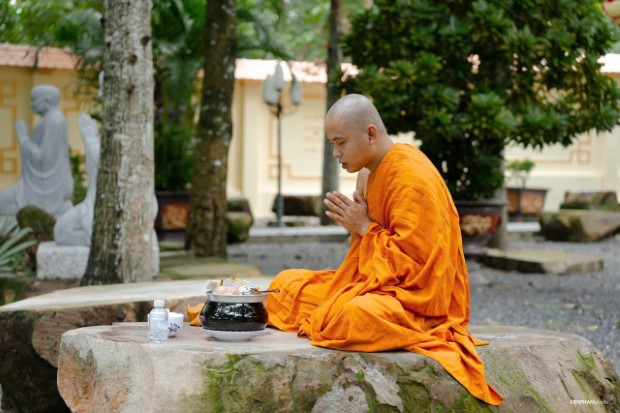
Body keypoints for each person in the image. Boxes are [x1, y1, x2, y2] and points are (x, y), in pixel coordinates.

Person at [266, 94, 503, 405]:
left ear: (370, 134)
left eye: (341, 143)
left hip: (416, 302)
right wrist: (358, 228)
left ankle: (341, 314)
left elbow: (416, 266)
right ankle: (331, 310)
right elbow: (362, 260)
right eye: (332, 145)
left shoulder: (410, 177)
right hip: (377, 287)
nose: (336, 153)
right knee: (284, 286)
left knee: (351, 316)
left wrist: (365, 227)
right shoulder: (369, 173)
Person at [0, 85, 73, 218]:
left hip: (45, 189)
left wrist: (23, 137)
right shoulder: (49, 120)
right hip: (40, 184)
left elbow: (43, 160)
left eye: (34, 100)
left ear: (47, 100)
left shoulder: (54, 122)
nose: (30, 104)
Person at [54, 114, 100, 246]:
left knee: (62, 232)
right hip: (91, 203)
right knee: (61, 231)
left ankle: (98, 238)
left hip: (103, 207)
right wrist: (90, 140)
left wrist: (90, 140)